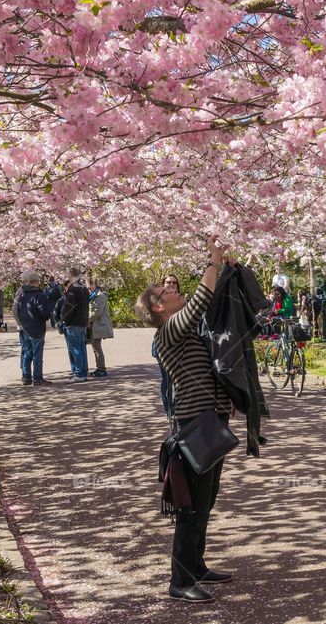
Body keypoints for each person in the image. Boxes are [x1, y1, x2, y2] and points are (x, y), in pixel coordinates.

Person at [134, 235, 235, 604]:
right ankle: (180, 580)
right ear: (159, 307)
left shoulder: (184, 330)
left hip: (209, 420)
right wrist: (214, 257)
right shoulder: (169, 332)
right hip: (194, 426)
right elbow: (200, 301)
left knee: (206, 500)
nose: (175, 290)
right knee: (191, 507)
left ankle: (196, 565)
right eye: (167, 290)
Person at [14, 271, 52, 385]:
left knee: (26, 353)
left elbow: (17, 310)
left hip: (25, 327)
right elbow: (44, 313)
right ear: (36, 282)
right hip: (37, 328)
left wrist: (20, 323)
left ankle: (26, 377)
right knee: (37, 354)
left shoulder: (21, 295)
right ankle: (37, 378)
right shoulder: (40, 295)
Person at [60, 267, 90, 382]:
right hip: (82, 321)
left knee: (75, 348)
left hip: (74, 323)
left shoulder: (73, 290)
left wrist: (64, 320)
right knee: (81, 348)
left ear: (71, 275)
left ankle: (78, 373)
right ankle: (83, 371)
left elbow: (68, 308)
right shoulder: (84, 289)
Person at [87, 276, 114, 378]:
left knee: (97, 347)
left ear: (95, 285)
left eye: (91, 286)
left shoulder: (100, 296)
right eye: (88, 287)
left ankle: (102, 369)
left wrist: (86, 320)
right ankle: (99, 368)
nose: (89, 289)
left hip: (99, 325)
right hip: (94, 325)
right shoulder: (92, 296)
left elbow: (97, 312)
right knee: (95, 347)